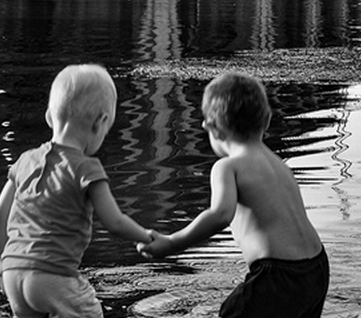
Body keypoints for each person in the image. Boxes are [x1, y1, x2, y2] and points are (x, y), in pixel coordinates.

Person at [138, 72, 328, 317]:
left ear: (212, 128)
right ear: (267, 120)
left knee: (233, 312)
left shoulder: (228, 167)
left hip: (279, 274)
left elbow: (220, 214)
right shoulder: (279, 165)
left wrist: (172, 243)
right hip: (316, 268)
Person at [0, 64, 153, 318]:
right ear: (101, 122)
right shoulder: (87, 168)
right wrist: (147, 237)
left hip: (13, 273)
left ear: (48, 116)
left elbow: (1, 211)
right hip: (53, 276)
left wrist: (3, 264)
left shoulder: (26, 160)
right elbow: (115, 222)